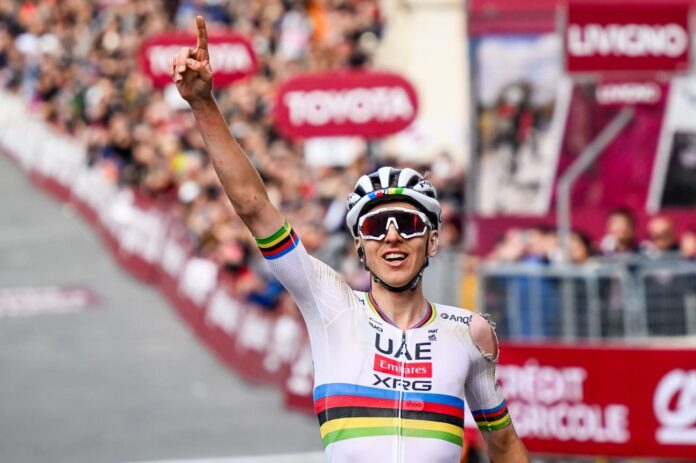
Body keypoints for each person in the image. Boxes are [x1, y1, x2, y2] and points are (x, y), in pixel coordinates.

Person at [171, 16, 529, 463]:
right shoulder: (332, 305)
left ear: (433, 241)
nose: (392, 235)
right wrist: (203, 104)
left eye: (408, 223)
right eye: (376, 227)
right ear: (360, 247)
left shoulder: (469, 332)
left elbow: (504, 444)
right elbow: (253, 207)